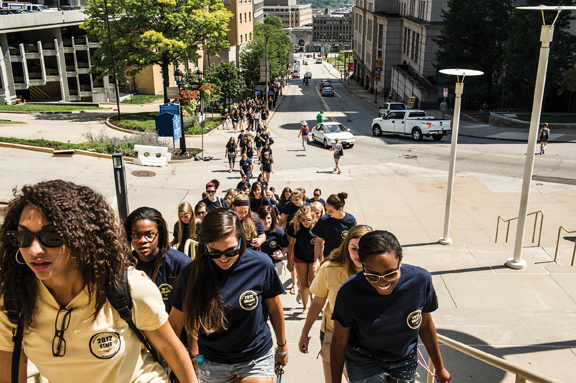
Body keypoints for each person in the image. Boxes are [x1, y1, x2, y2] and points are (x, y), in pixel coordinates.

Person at [0, 180, 196, 383]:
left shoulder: (129, 287)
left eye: (50, 237)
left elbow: (170, 347)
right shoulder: (13, 300)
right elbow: (11, 371)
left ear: (82, 237)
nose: (34, 250)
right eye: (23, 236)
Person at [168, 208, 289, 383]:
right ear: (204, 245)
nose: (223, 258)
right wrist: (183, 361)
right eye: (214, 252)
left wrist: (282, 348)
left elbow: (274, 308)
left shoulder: (261, 265)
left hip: (256, 357)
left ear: (241, 240)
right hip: (211, 363)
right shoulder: (191, 275)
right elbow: (174, 326)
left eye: (231, 250)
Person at [330, 231, 451, 383]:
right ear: (362, 265)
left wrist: (440, 368)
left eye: (390, 274)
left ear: (400, 260)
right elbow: (340, 339)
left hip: (405, 359)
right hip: (364, 358)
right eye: (372, 276)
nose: (382, 283)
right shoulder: (349, 292)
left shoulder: (421, 281)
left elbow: (425, 325)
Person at [299, 225, 373, 383]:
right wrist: (305, 333)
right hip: (333, 334)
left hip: (366, 338)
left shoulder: (380, 270)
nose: (358, 254)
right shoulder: (329, 268)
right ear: (346, 246)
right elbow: (318, 301)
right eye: (354, 248)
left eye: (364, 248)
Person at [125, 207, 192, 315]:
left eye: (149, 234)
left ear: (159, 234)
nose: (142, 240)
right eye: (136, 235)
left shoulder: (181, 264)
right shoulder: (124, 266)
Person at [286, 205, 318, 314]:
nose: (305, 222)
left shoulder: (318, 226)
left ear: (313, 218)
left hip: (314, 258)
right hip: (300, 257)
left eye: (308, 219)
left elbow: (322, 245)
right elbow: (290, 244)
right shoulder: (294, 226)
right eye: (302, 220)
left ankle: (312, 297)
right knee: (304, 285)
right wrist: (290, 261)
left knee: (312, 283)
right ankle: (305, 307)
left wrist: (320, 260)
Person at [313, 192, 357, 268]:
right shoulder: (324, 221)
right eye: (326, 209)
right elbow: (318, 241)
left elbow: (355, 240)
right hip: (330, 258)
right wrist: (316, 260)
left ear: (340, 209)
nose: (327, 212)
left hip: (346, 259)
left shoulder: (351, 220)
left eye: (330, 211)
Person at [257, 206, 289, 275]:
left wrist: (281, 254)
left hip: (274, 264)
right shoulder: (254, 231)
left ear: (272, 218)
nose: (266, 221)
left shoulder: (278, 232)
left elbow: (286, 247)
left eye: (268, 218)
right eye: (263, 218)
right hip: (258, 264)